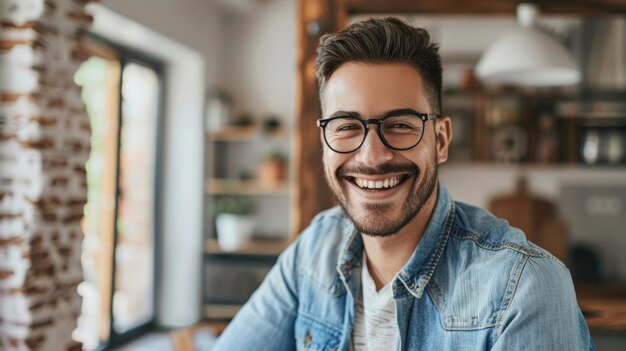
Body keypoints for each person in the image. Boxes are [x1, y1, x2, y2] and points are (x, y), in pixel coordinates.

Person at [213, 17, 595, 350]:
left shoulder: (524, 289)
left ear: (441, 141)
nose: (371, 156)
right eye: (347, 127)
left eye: (399, 126)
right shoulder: (313, 252)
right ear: (324, 143)